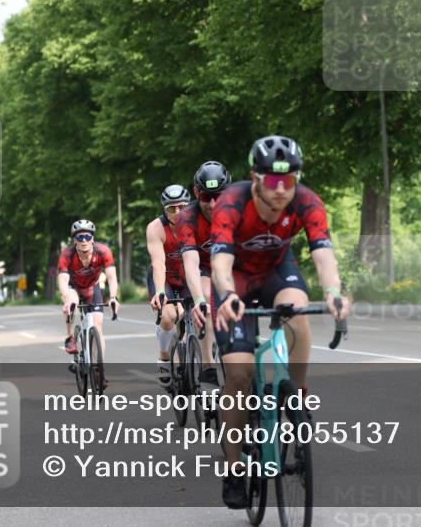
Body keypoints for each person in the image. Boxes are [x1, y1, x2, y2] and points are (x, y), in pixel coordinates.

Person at [210, 135, 350, 509]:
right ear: (255, 178)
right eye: (273, 181)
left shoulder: (307, 201)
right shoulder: (231, 202)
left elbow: (323, 254)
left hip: (276, 271)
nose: (281, 190)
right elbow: (220, 262)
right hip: (235, 279)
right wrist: (226, 295)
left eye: (289, 181)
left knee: (299, 310)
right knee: (238, 376)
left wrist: (334, 292)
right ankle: (235, 466)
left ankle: (297, 393)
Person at [179, 161, 234, 387]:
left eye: (218, 196)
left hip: (230, 265)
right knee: (209, 302)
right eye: (205, 197)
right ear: (195, 192)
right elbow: (190, 263)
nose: (212, 204)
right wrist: (199, 299)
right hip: (201, 268)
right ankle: (208, 367)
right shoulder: (187, 217)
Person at [58, 220, 120, 387]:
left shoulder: (103, 251)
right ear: (75, 240)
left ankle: (99, 369)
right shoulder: (67, 255)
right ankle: (71, 337)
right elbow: (63, 279)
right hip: (74, 287)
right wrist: (66, 297)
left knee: (98, 326)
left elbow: (112, 277)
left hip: (93, 288)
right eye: (80, 237)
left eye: (87, 236)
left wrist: (113, 297)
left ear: (93, 238)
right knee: (72, 304)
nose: (84, 240)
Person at [145, 184, 194, 389]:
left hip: (189, 277)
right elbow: (158, 263)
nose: (177, 212)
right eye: (171, 208)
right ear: (164, 210)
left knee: (202, 315)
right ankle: (165, 358)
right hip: (164, 277)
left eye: (182, 207)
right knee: (168, 316)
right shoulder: (156, 228)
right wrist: (161, 292)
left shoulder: (197, 224)